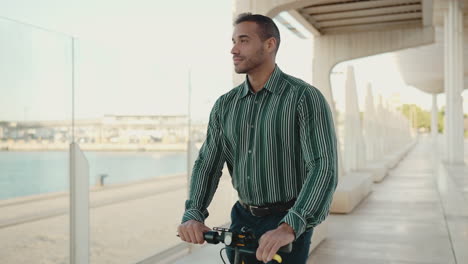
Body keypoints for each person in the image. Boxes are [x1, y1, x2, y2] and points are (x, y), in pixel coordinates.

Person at [177, 13, 338, 264]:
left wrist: (290, 226)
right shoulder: (225, 105)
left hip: (286, 219)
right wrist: (193, 214)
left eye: (243, 41)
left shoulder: (304, 98)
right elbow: (207, 165)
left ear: (269, 44)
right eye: (233, 41)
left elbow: (323, 167)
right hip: (242, 219)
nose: (233, 49)